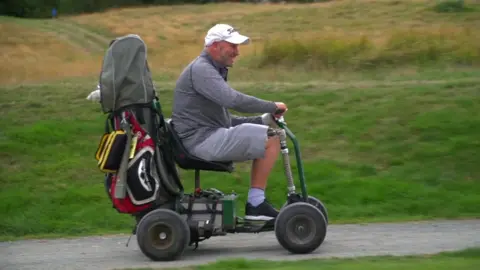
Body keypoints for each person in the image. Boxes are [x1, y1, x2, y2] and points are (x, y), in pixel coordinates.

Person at [171, 23, 288, 221]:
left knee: (267, 132)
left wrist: (262, 119)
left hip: (204, 137)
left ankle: (257, 204)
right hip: (200, 142)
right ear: (215, 46)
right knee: (271, 139)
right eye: (232, 46)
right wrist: (271, 106)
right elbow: (232, 100)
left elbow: (224, 120)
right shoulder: (202, 70)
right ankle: (256, 205)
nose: (237, 52)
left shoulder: (211, 70)